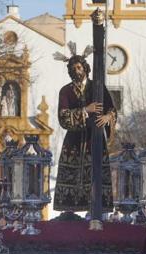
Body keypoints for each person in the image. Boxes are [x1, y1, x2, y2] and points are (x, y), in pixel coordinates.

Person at [53, 45, 117, 213]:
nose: (77, 70)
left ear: (86, 68)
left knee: (96, 174)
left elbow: (111, 108)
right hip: (73, 142)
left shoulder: (97, 87)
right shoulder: (65, 91)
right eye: (73, 68)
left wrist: (107, 117)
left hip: (94, 139)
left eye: (79, 67)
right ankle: (70, 211)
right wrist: (85, 110)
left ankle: (97, 211)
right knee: (72, 175)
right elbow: (63, 116)